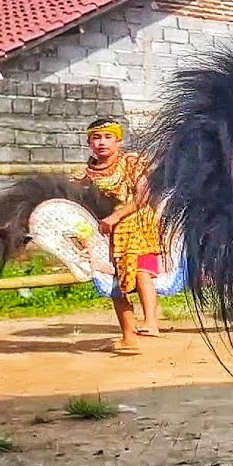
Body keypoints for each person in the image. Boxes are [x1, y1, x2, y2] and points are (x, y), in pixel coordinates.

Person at [71, 118, 164, 352]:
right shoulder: (86, 173)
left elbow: (143, 196)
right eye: (96, 138)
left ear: (118, 140)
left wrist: (115, 217)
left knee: (141, 269)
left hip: (137, 222)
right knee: (114, 280)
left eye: (107, 137)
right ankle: (128, 336)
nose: (102, 143)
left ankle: (151, 322)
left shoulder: (132, 162)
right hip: (105, 231)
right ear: (89, 142)